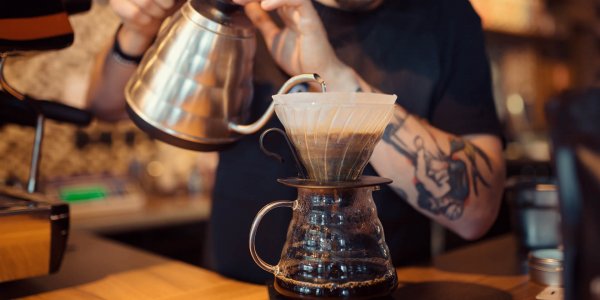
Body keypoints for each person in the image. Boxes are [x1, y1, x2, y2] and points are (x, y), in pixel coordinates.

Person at [87, 0, 506, 284]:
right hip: (230, 288)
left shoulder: (447, 17)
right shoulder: (250, 9)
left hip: (384, 289)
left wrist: (330, 75)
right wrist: (137, 29)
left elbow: (475, 213)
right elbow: (105, 105)